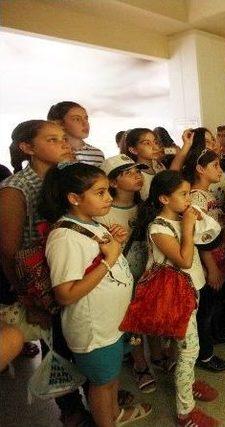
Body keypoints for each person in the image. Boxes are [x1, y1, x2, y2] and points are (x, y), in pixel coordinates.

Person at [40, 162, 151, 426]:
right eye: (100, 193)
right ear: (74, 198)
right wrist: (109, 260)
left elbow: (98, 254)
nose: (108, 198)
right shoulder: (64, 237)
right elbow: (65, 294)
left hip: (109, 323)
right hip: (94, 331)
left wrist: (115, 244)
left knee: (111, 378)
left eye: (107, 192)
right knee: (101, 384)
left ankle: (113, 414)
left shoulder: (91, 223)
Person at [0, 120, 92, 426]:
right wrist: (28, 301)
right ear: (28, 148)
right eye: (53, 140)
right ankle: (70, 407)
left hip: (72, 270)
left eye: (63, 138)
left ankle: (95, 397)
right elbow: (8, 251)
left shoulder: (63, 178)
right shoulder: (16, 188)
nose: (64, 144)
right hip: (40, 283)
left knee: (79, 338)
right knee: (57, 346)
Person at [136, 170, 221, 426]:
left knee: (183, 347)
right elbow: (183, 260)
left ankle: (188, 382)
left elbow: (207, 240)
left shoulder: (182, 218)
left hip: (189, 291)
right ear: (163, 198)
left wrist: (193, 222)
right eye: (183, 194)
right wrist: (187, 226)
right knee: (189, 350)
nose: (189, 199)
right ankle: (186, 412)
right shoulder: (158, 227)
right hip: (176, 297)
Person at [94, 154, 157, 394]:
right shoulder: (104, 213)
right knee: (130, 321)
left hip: (146, 271)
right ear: (112, 182)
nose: (137, 175)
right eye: (128, 173)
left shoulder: (145, 208)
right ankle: (139, 363)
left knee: (147, 315)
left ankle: (157, 356)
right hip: (120, 278)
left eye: (138, 171)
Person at [186, 149, 225, 373]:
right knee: (205, 310)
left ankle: (217, 334)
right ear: (200, 169)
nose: (220, 170)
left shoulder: (209, 194)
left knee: (215, 304)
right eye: (215, 165)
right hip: (208, 262)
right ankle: (204, 356)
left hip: (220, 255)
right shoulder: (195, 198)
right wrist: (211, 268)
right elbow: (199, 237)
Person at [47, 101, 105, 167]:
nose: (85, 123)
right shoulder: (50, 153)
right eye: (77, 119)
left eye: (86, 118)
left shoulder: (97, 154)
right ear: (60, 124)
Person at [121, 128, 165, 200]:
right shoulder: (136, 175)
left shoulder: (159, 166)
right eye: (147, 143)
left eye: (155, 142)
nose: (155, 147)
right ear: (133, 150)